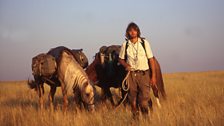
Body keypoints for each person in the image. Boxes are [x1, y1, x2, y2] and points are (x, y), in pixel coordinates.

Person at [119, 22, 156, 119]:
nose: (132, 32)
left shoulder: (144, 43)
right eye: (130, 31)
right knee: (132, 99)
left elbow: (151, 59)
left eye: (134, 30)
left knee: (144, 100)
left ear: (137, 31)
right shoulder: (125, 45)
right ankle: (135, 119)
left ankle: (146, 119)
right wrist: (126, 65)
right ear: (128, 33)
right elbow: (120, 59)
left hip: (144, 74)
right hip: (131, 74)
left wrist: (153, 76)